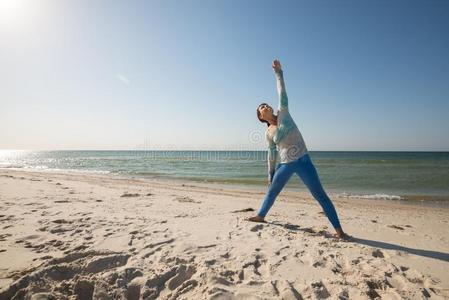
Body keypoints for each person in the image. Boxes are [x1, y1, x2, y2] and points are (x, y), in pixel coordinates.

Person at [247, 59, 346, 239]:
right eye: (261, 107)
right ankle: (261, 216)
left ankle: (339, 231)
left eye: (266, 104)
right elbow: (271, 154)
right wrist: (270, 174)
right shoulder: (268, 133)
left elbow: (281, 91)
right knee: (272, 191)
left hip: (303, 160)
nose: (265, 106)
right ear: (261, 117)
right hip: (285, 165)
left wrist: (279, 73)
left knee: (320, 196)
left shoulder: (283, 111)